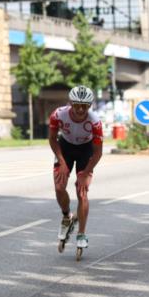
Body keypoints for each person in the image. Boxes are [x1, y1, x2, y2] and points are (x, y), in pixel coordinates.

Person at [49, 85, 104, 254]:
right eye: (77, 105)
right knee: (59, 187)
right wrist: (62, 162)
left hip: (86, 150)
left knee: (82, 191)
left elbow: (98, 153)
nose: (80, 109)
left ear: (90, 105)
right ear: (70, 103)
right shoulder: (58, 114)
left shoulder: (95, 122)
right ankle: (67, 216)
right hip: (65, 147)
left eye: (84, 106)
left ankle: (81, 233)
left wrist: (85, 173)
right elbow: (52, 139)